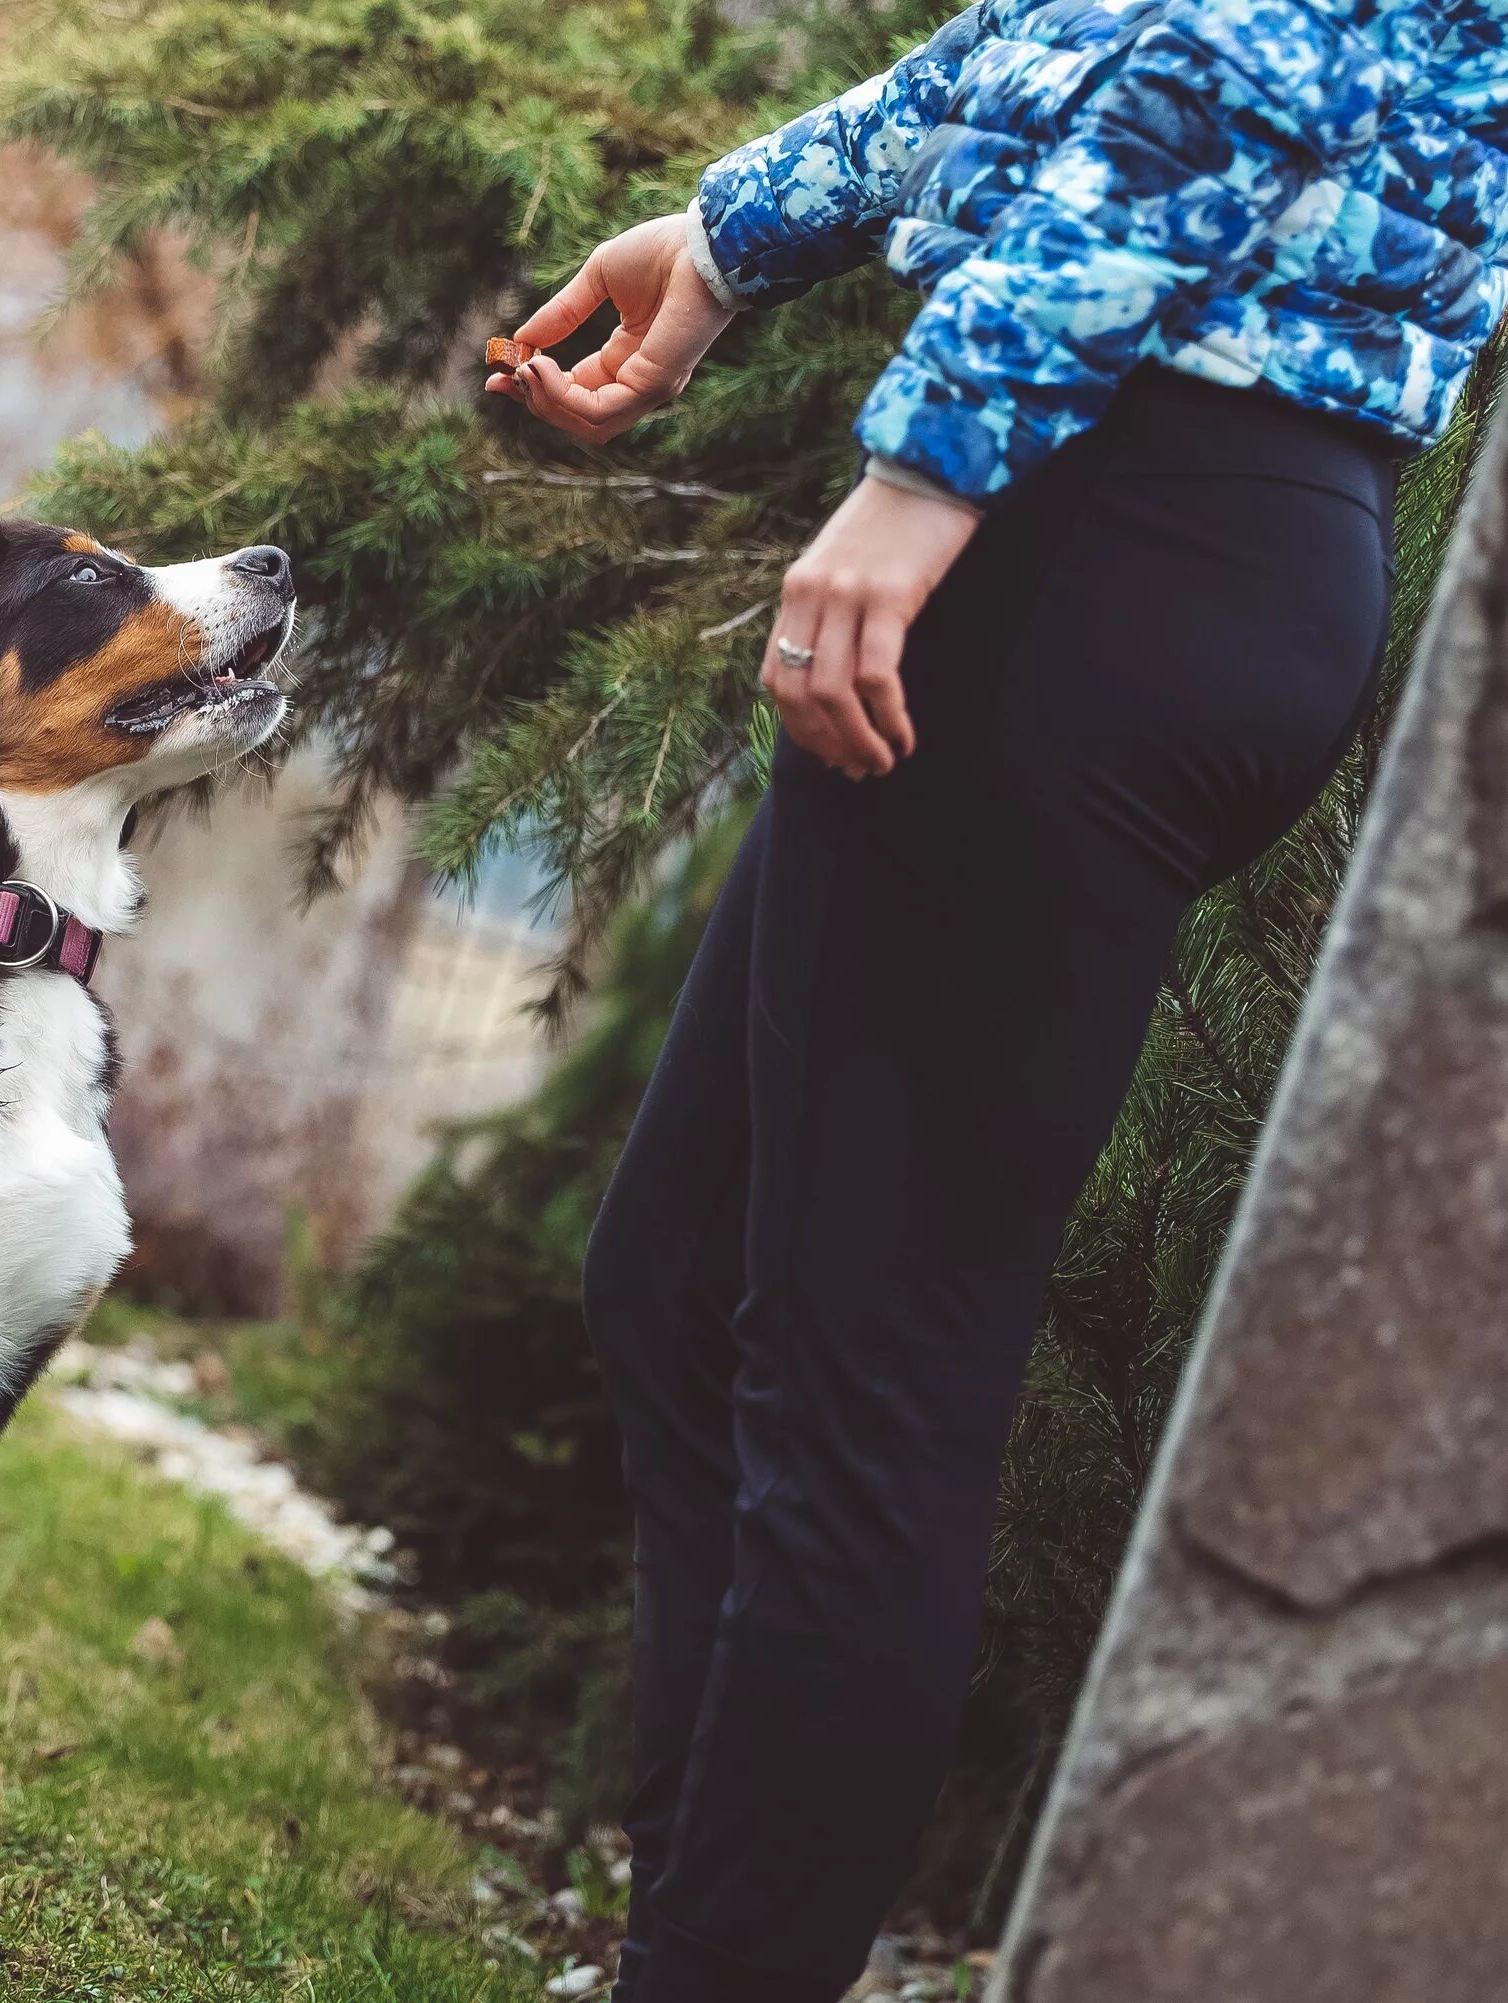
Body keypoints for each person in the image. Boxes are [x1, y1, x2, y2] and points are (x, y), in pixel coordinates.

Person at [491, 2, 1508, 1997]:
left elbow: (1230, 80)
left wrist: (935, 462)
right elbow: (1086, 31)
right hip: (1163, 518)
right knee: (686, 1285)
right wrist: (724, 240)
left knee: (868, 1390)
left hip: (1116, 516)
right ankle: (696, 1934)